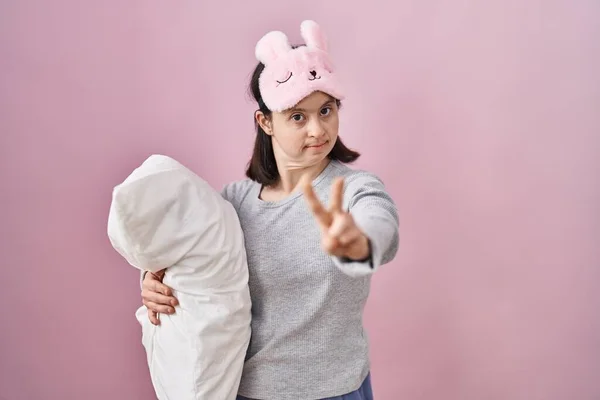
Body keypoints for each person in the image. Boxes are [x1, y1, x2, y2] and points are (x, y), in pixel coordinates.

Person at [140, 20, 399, 400]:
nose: (318, 130)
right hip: (247, 391)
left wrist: (358, 242)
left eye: (326, 110)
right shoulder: (233, 203)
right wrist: (154, 281)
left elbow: (381, 226)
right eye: (298, 116)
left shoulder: (355, 189)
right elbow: (185, 266)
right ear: (266, 122)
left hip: (336, 391)